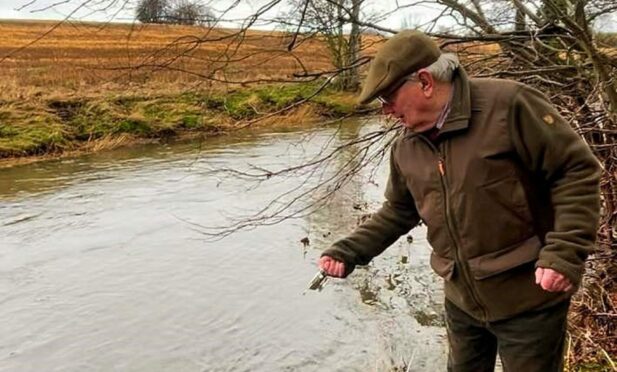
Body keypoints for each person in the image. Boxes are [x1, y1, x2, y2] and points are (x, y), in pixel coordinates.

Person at [318, 30, 601, 372]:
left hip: (529, 300)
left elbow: (575, 171)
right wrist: (349, 250)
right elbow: (399, 210)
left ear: (424, 81)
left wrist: (564, 254)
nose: (387, 112)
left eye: (389, 98)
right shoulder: (406, 147)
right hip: (462, 302)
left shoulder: (509, 106)